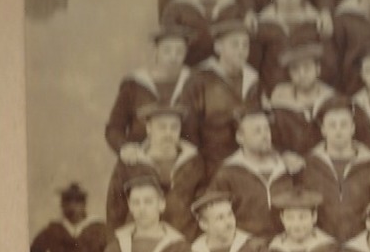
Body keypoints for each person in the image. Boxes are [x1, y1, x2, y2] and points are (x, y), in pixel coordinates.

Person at [106, 104, 203, 240]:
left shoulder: (194, 162)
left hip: (183, 241)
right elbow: (114, 210)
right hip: (140, 242)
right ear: (149, 128)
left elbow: (203, 206)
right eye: (162, 127)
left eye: (174, 127)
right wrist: (115, 246)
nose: (168, 133)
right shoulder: (131, 161)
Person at [103, 24, 197, 159]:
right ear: (156, 51)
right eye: (167, 50)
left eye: (179, 51)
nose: (173, 56)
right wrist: (124, 147)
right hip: (141, 160)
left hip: (183, 163)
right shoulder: (134, 84)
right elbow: (114, 128)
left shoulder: (195, 82)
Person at [208, 109, 305, 239]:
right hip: (248, 245)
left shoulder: (289, 167)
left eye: (266, 129)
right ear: (240, 137)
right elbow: (214, 213)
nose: (265, 135)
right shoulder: (228, 173)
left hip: (287, 242)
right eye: (257, 131)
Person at [298, 97, 370, 242]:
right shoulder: (308, 166)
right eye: (332, 125)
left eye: (344, 124)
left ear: (353, 128)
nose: (338, 130)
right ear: (323, 129)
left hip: (361, 244)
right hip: (321, 243)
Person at [189, 19, 263, 181]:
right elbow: (190, 127)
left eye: (245, 45)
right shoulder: (200, 79)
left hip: (247, 158)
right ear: (218, 47)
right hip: (211, 161)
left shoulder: (252, 79)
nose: (241, 51)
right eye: (235, 45)